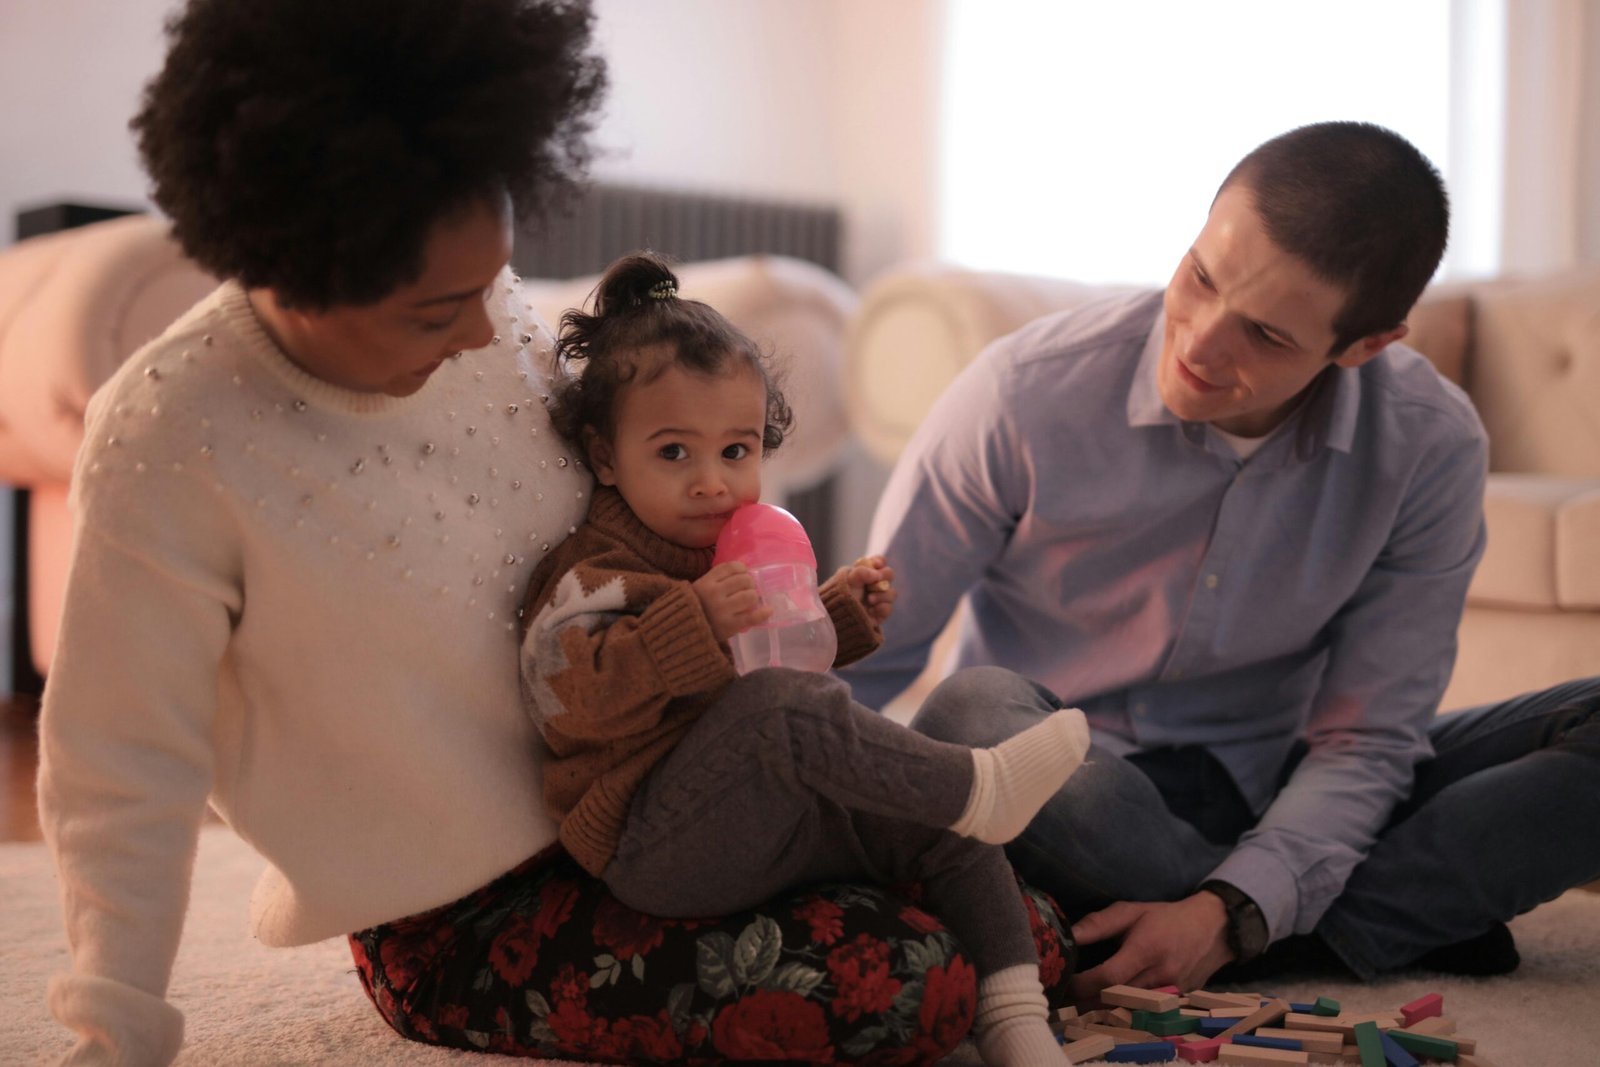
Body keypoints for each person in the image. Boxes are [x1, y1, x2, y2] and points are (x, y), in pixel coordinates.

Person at [35, 3, 1077, 1065]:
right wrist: (115, 1023)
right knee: (899, 978)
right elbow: (121, 759)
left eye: (493, 281)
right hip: (461, 909)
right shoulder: (171, 436)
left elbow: (653, 499)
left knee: (1017, 919)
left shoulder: (493, 320)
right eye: (440, 309)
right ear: (302, 270)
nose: (492, 329)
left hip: (671, 782)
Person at [839, 121, 1600, 997]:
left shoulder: (1428, 445)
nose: (1199, 342)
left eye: (1267, 336)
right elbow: (860, 659)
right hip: (1065, 789)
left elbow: (1364, 739)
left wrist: (1234, 906)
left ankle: (1253, 928)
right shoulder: (1019, 394)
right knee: (971, 714)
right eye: (1199, 277)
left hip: (1275, 776)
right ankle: (1361, 911)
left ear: (1363, 347)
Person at [519, 251, 1091, 1066]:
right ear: (606, 457)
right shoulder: (590, 574)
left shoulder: (732, 548)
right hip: (653, 843)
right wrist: (695, 620)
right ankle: (979, 785)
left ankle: (1017, 1024)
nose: (713, 483)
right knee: (838, 733)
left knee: (936, 822)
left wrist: (840, 614)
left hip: (762, 817)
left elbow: (776, 660)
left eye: (737, 451)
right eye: (674, 453)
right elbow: (572, 698)